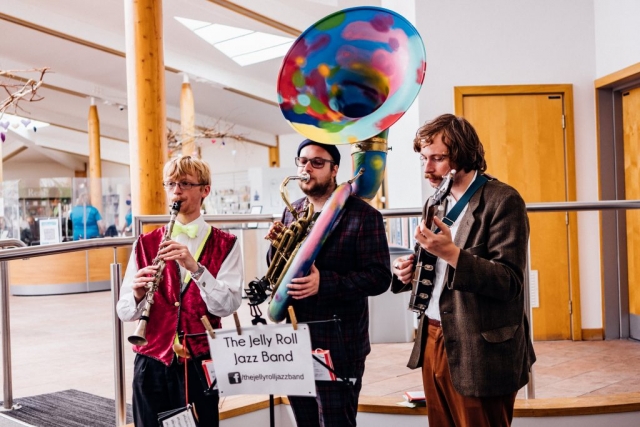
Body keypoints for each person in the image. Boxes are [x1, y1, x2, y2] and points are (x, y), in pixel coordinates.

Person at [392, 114, 535, 427]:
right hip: (432, 334)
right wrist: (410, 272)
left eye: (438, 159)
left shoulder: (503, 200)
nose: (428, 169)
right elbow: (436, 265)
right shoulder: (436, 200)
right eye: (424, 159)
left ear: (464, 154)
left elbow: (509, 282)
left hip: (480, 346)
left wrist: (451, 253)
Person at [268, 139, 391, 427]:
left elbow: (379, 277)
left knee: (337, 422)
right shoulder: (292, 210)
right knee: (305, 421)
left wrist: (326, 283)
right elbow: (280, 270)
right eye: (302, 161)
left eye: (317, 162)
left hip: (339, 341)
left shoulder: (363, 215)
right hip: (296, 335)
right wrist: (276, 247)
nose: (307, 168)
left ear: (335, 169)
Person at [116, 156, 244, 427]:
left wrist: (196, 269)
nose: (176, 191)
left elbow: (229, 305)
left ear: (204, 190)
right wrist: (138, 294)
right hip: (151, 359)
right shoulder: (146, 242)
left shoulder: (227, 244)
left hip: (199, 360)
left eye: (185, 183)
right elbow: (124, 310)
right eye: (171, 184)